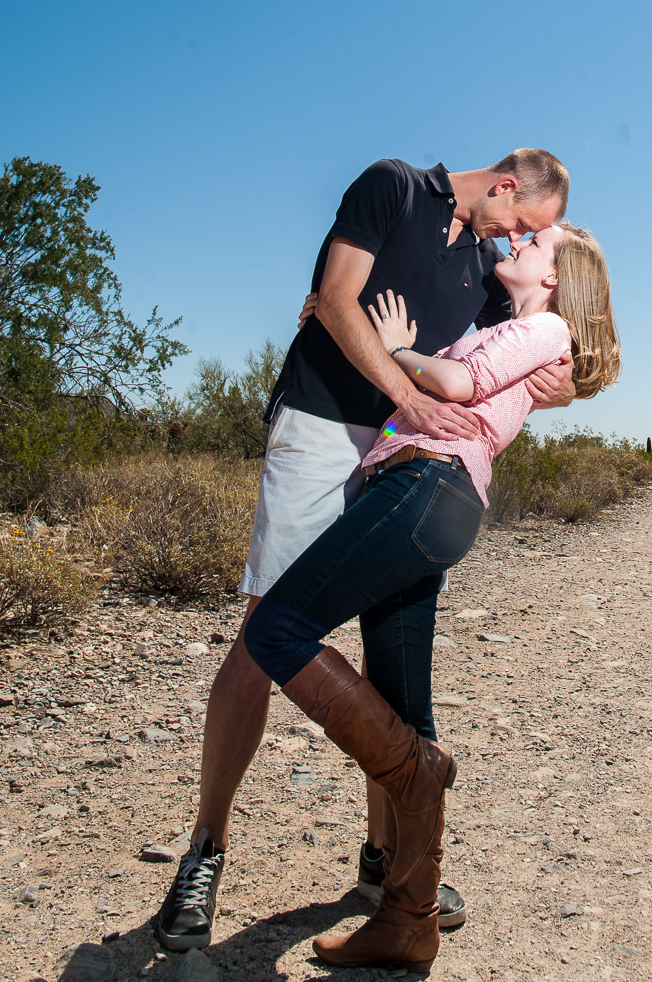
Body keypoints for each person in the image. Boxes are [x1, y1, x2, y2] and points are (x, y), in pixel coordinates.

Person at [154, 151, 574, 953]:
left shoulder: (490, 266)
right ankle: (206, 851)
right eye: (519, 223)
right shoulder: (392, 186)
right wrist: (408, 389)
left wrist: (566, 378)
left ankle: (386, 865)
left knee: (387, 662)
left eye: (526, 238)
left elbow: (530, 333)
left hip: (402, 450)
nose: (514, 239)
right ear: (504, 186)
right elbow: (339, 303)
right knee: (264, 636)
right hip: (323, 426)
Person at [243, 221, 620, 971]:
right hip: (418, 492)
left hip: (425, 486)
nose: (519, 247)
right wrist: (335, 322)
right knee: (403, 705)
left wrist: (397, 347)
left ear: (554, 279)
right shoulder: (507, 332)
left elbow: (452, 386)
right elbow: (439, 371)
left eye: (535, 247)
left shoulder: (544, 328)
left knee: (275, 630)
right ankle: (409, 916)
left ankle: (419, 768)